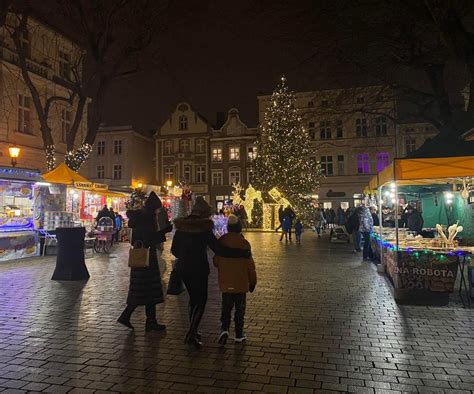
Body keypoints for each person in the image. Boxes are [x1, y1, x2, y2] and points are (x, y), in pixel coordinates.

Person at [171, 196, 251, 349]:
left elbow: (174, 250)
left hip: (183, 269)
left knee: (192, 299)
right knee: (200, 301)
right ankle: (191, 334)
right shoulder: (203, 228)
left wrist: (185, 256)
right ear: (203, 214)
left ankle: (194, 331)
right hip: (199, 269)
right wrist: (240, 252)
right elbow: (218, 249)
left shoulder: (182, 227)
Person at [118, 192, 172, 332]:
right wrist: (164, 231)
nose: (157, 212)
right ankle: (129, 316)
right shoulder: (146, 219)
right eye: (157, 209)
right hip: (146, 258)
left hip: (143, 257)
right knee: (144, 290)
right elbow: (149, 238)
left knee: (148, 292)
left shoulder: (141, 218)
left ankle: (150, 321)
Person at [213, 215, 256, 345]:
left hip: (226, 283)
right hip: (241, 283)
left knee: (226, 308)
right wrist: (252, 282)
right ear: (239, 228)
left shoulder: (221, 241)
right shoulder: (244, 243)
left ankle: (224, 329)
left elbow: (216, 261)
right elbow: (250, 265)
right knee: (240, 309)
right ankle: (239, 333)